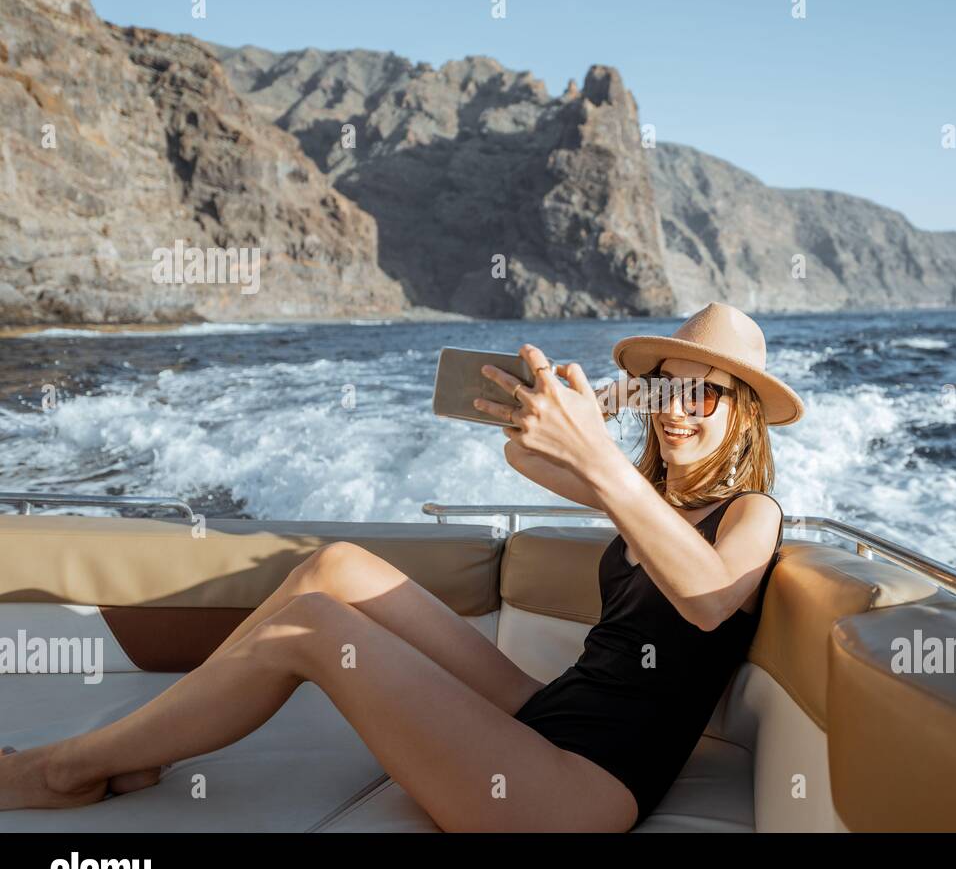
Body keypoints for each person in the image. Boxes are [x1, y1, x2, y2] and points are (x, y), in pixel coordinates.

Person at [0, 302, 804, 832]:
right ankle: (145, 746)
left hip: (579, 789)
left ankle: (66, 767)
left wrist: (602, 455)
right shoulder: (646, 502)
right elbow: (524, 457)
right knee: (338, 568)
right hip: (551, 712)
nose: (676, 411)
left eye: (702, 396)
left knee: (315, 628)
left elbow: (710, 597)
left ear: (744, 417)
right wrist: (600, 406)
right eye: (662, 391)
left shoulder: (748, 513)